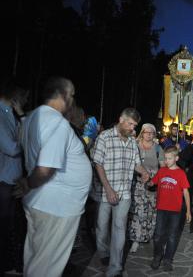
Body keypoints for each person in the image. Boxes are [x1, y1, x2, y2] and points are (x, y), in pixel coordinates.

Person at [15, 77, 92, 277]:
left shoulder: (32, 117)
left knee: (36, 259)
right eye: (72, 95)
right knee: (47, 267)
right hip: (57, 206)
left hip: (43, 201)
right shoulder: (57, 123)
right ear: (64, 95)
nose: (73, 101)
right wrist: (28, 183)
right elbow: (46, 168)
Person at [91, 108, 149, 277]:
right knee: (102, 226)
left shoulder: (132, 141)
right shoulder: (105, 137)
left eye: (135, 125)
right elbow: (98, 164)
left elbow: (136, 163)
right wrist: (108, 189)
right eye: (130, 124)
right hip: (105, 191)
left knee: (119, 226)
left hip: (124, 192)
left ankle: (115, 267)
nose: (133, 128)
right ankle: (103, 252)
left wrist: (143, 172)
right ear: (121, 119)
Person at [147, 146, 191, 272]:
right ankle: (157, 256)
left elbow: (186, 193)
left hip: (175, 211)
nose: (166, 161)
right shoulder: (161, 171)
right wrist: (148, 181)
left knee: (172, 236)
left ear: (176, 158)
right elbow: (153, 182)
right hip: (161, 209)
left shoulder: (181, 173)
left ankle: (168, 259)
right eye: (165, 158)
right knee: (158, 235)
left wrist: (188, 211)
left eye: (169, 158)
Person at [0, 79, 26, 275]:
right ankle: (5, 264)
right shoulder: (1, 114)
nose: (25, 101)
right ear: (15, 96)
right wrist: (22, 144)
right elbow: (11, 148)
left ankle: (10, 263)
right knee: (5, 224)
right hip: (3, 179)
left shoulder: (12, 115)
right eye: (23, 96)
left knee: (12, 225)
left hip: (13, 178)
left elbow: (20, 139)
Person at [129, 123, 165, 253]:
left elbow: (162, 167)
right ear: (142, 133)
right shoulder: (135, 146)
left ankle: (147, 236)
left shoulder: (158, 148)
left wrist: (155, 179)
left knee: (151, 212)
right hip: (138, 184)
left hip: (152, 185)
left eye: (151, 132)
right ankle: (136, 239)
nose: (149, 134)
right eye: (146, 132)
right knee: (138, 212)